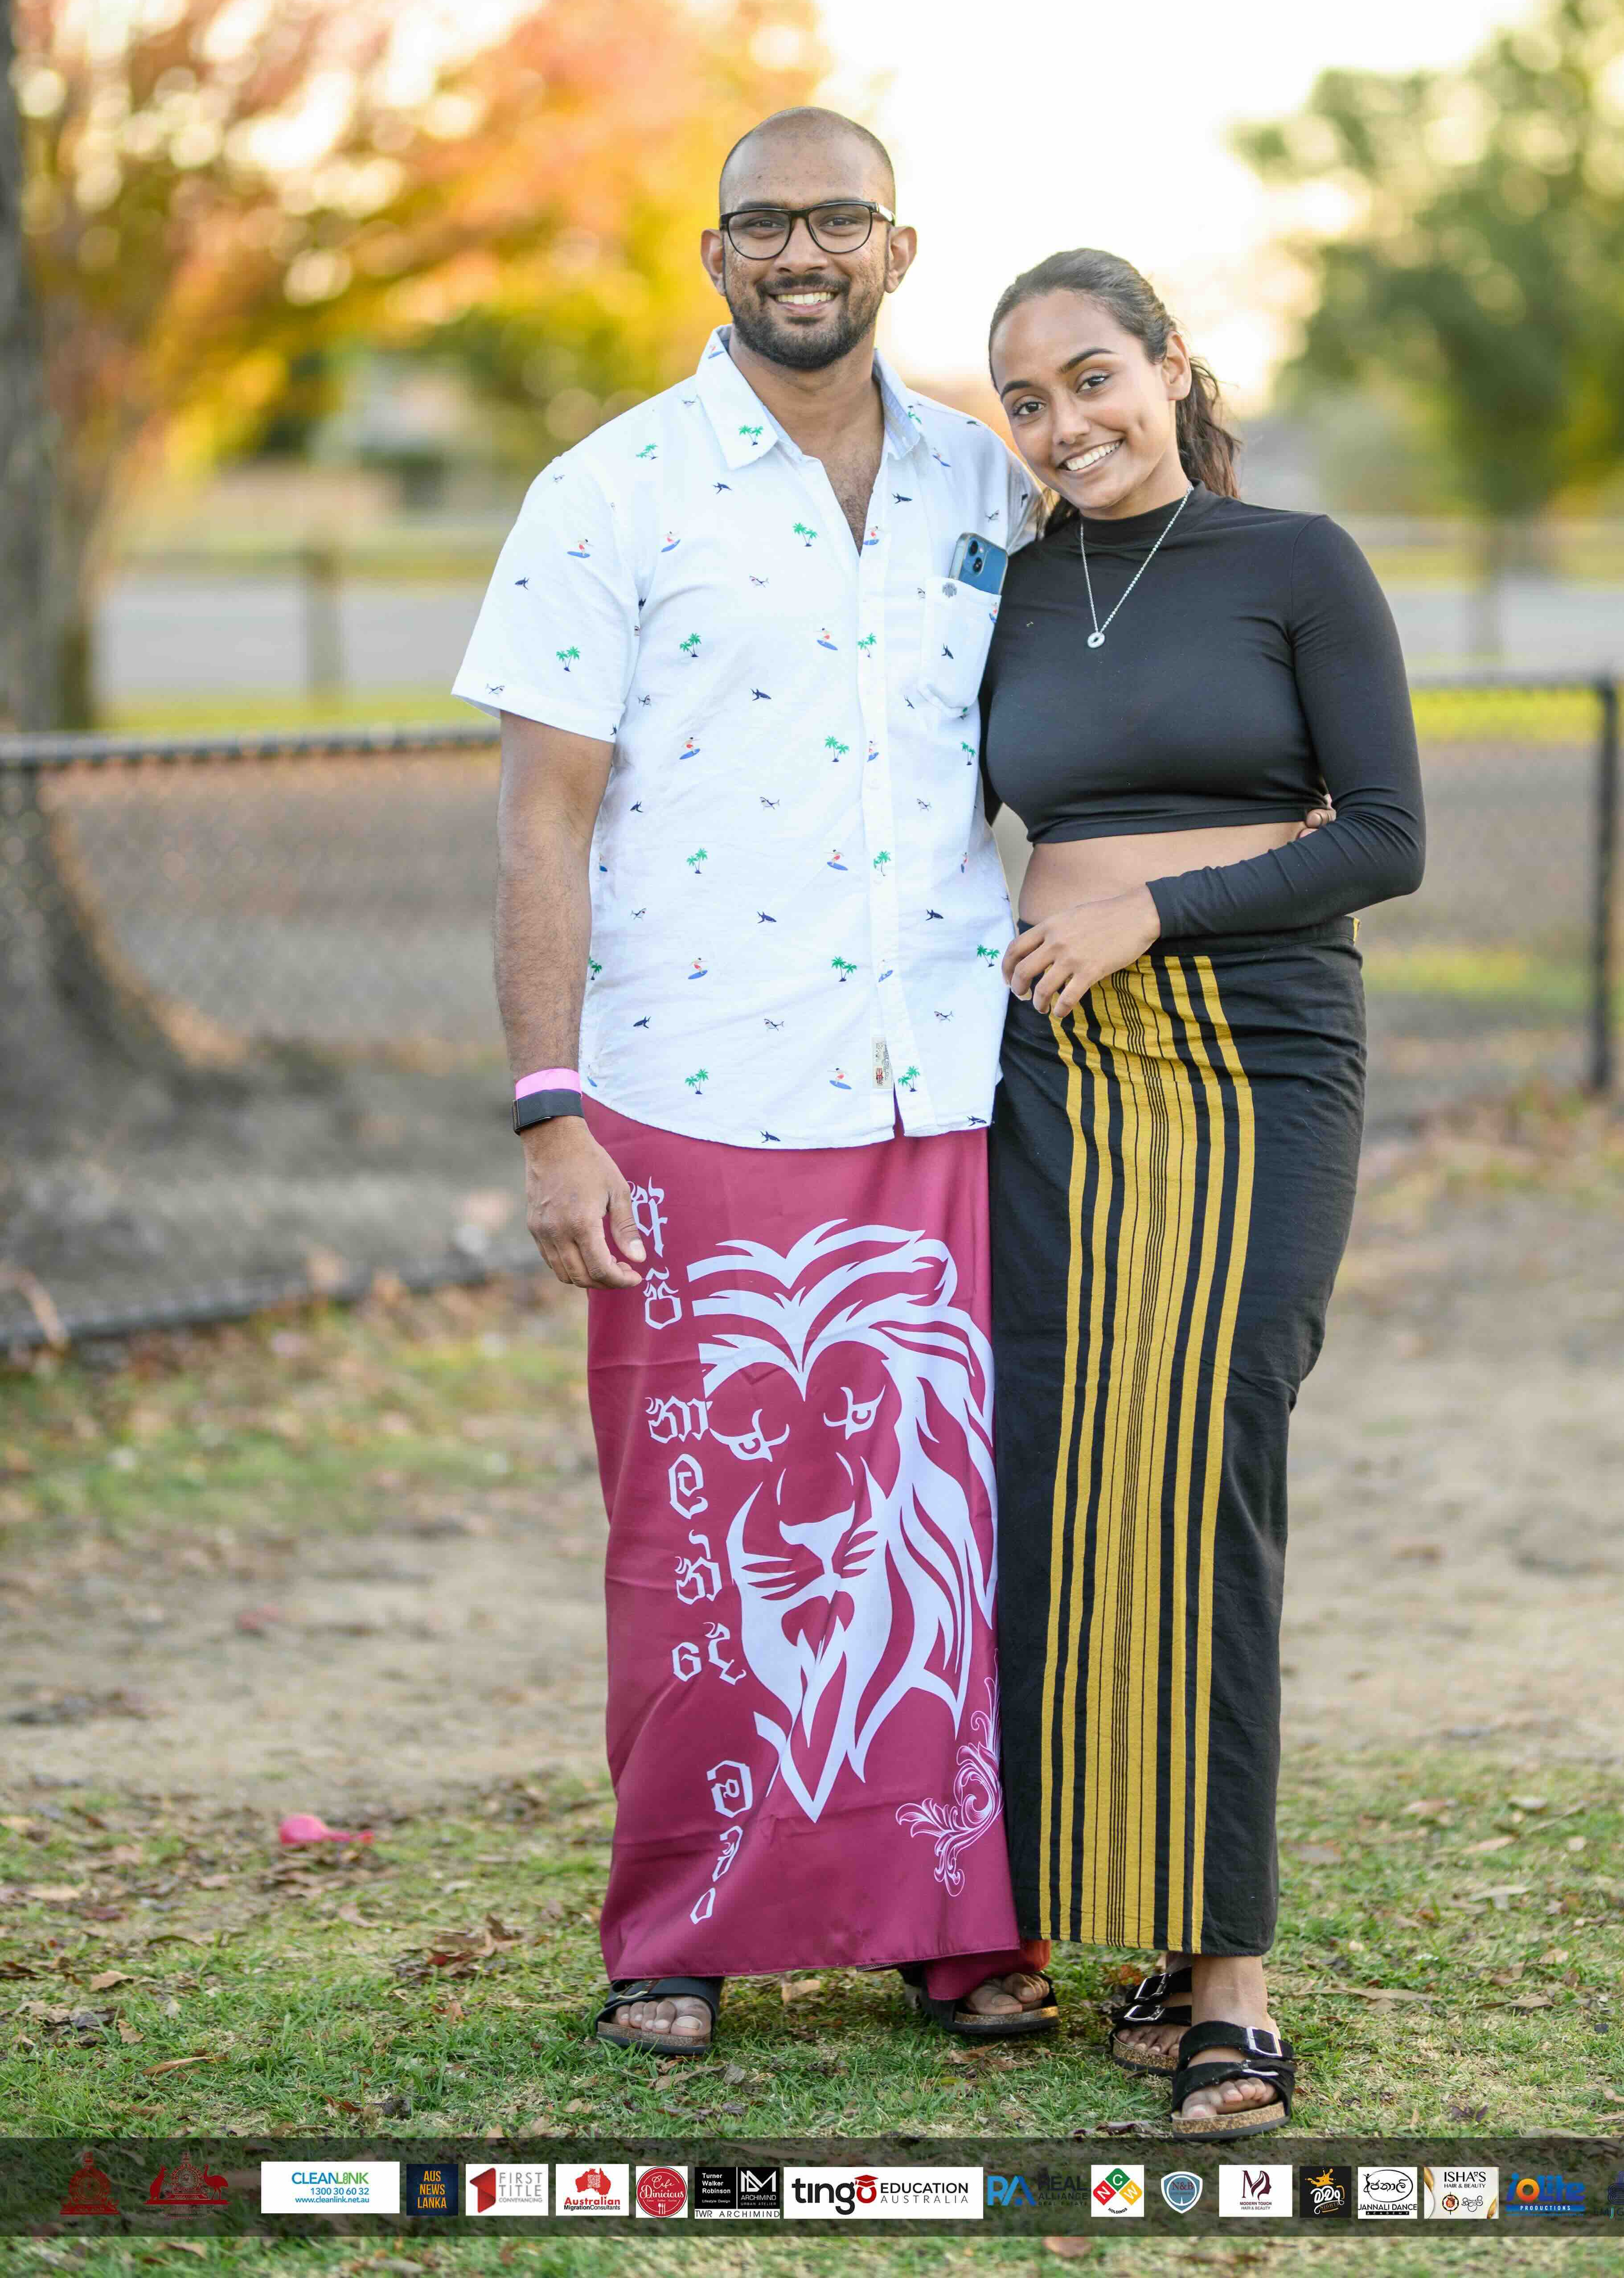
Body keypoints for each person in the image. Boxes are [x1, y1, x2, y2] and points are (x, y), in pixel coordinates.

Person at [451, 109, 1053, 2056]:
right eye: (765, 222)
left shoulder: (988, 481)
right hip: (691, 1096)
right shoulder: (608, 493)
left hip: (941, 1090)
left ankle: (959, 1926)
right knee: (701, 1540)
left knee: (943, 1528)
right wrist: (551, 1107)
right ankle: (678, 1936)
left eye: (838, 219)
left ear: (898, 248)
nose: (803, 252)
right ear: (716, 255)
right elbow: (543, 825)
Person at [978, 248, 1424, 2137]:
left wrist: (1151, 909)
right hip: (1060, 1073)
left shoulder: (1296, 564)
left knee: (1214, 1458)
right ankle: (1122, 1929)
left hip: (1259, 1057)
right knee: (1072, 1477)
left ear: (1169, 366)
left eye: (1092, 377)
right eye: (1025, 401)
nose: (1065, 424)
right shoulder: (1003, 591)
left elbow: (1385, 838)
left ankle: (1233, 1977)